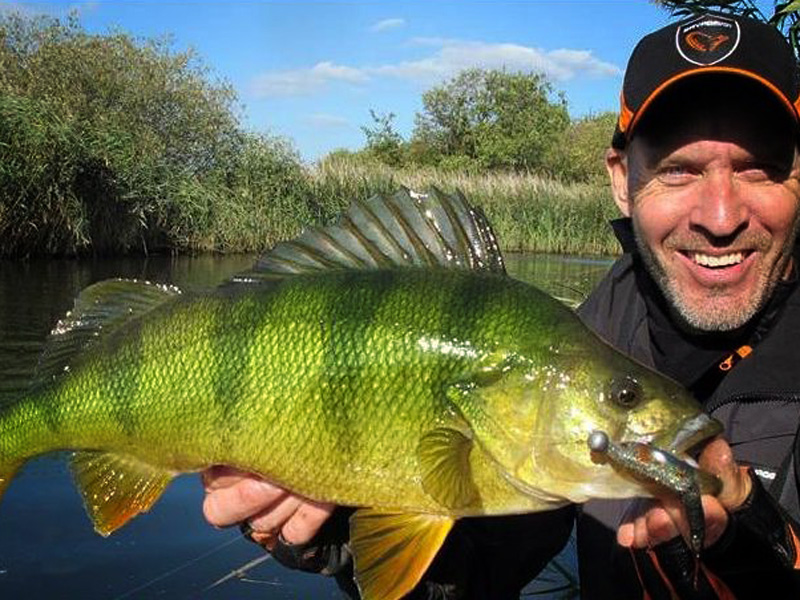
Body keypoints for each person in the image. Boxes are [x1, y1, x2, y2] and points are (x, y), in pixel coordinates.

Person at [203, 11, 800, 599]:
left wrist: (753, 540)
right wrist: (348, 531)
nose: (720, 216)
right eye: (678, 171)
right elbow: (481, 574)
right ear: (622, 180)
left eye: (761, 170)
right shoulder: (586, 330)